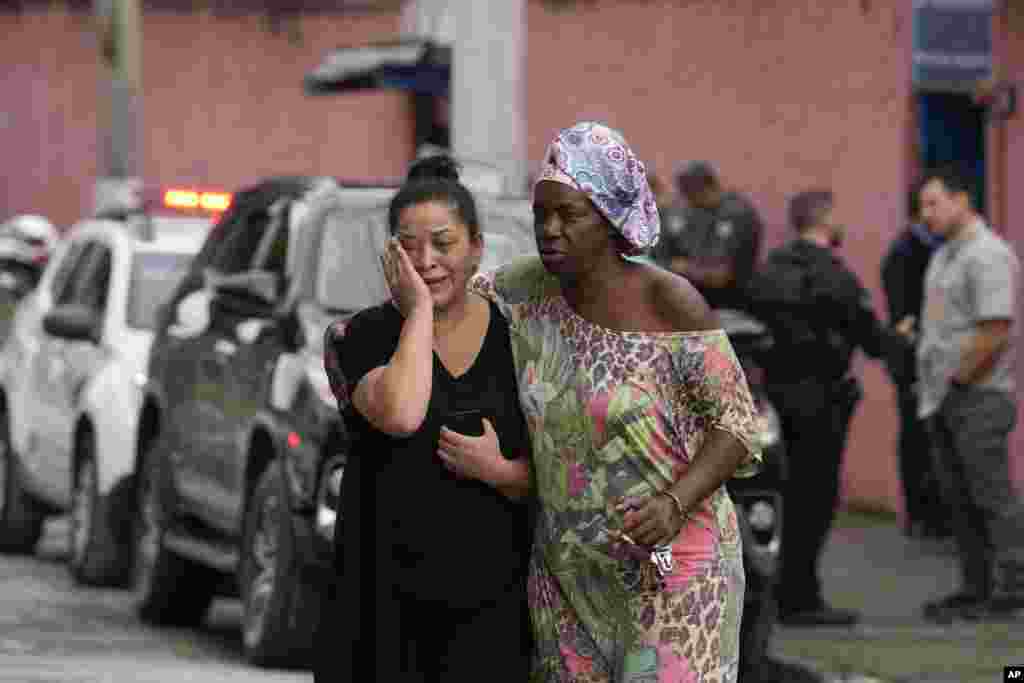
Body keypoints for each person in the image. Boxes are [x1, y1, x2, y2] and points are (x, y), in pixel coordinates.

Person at [471, 121, 763, 682]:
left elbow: (735, 425)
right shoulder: (522, 291)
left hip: (674, 566)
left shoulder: (669, 302)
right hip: (570, 578)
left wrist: (673, 503)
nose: (550, 230)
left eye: (569, 215)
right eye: (542, 215)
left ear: (607, 219)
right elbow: (450, 312)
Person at [316, 156, 534, 682]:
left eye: (444, 243)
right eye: (409, 246)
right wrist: (417, 314)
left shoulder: (521, 341)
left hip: (491, 616)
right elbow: (401, 413)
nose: (427, 260)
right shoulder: (357, 338)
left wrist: (502, 473)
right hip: (381, 613)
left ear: (477, 247)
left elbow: (562, 476)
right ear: (391, 253)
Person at [747, 189, 913, 627]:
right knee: (815, 499)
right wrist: (902, 342)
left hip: (776, 399)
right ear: (824, 221)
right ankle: (801, 599)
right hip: (822, 401)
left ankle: (775, 592)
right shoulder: (833, 276)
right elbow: (869, 335)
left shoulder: (768, 272)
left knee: (780, 494)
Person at [915, 164, 1024, 622]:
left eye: (933, 203)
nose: (926, 214)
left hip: (977, 395)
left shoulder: (987, 254)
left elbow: (995, 330)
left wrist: (959, 380)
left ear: (962, 200)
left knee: (990, 496)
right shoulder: (945, 255)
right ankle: (974, 587)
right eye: (923, 205)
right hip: (943, 396)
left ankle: (1011, 588)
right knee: (959, 500)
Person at [880, 188, 951, 541]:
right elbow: (903, 316)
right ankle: (922, 513)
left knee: (927, 435)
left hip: (924, 356)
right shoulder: (906, 252)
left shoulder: (932, 248)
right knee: (916, 436)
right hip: (912, 360)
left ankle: (932, 511)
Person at [649, 160, 764, 311]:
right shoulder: (682, 213)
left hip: (732, 305)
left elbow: (719, 277)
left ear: (709, 188)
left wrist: (684, 268)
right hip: (690, 304)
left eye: (690, 195)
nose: (686, 202)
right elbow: (658, 263)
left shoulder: (738, 214)